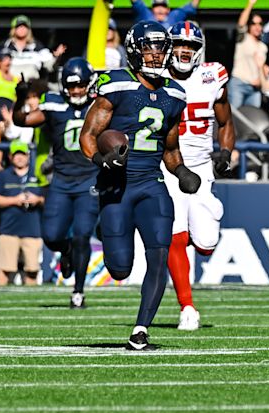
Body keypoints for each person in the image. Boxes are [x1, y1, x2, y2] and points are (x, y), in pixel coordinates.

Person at [79, 21, 201, 351]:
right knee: (119, 269)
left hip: (152, 182)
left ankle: (140, 329)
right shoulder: (115, 85)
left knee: (159, 256)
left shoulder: (175, 93)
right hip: (117, 185)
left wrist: (182, 172)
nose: (157, 54)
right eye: (150, 47)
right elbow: (88, 136)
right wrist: (100, 161)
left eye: (162, 47)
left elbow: (171, 149)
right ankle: (108, 232)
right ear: (134, 49)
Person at [14, 58, 101, 308]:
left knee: (83, 235)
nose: (76, 91)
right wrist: (19, 98)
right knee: (51, 236)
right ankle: (66, 251)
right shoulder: (53, 104)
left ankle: (78, 291)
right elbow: (22, 120)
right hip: (61, 179)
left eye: (81, 85)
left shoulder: (99, 105)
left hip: (89, 178)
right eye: (71, 86)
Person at [164, 22, 235, 332]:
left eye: (191, 46)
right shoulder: (157, 77)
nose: (185, 50)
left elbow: (226, 121)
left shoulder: (212, 76)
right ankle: (187, 307)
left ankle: (198, 222)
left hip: (202, 165)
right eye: (180, 44)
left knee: (205, 243)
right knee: (173, 236)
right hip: (167, 164)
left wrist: (226, 153)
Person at [0, 141, 46, 285]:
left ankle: (31, 303)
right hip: (9, 228)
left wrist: (38, 199)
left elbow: (50, 199)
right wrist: (15, 200)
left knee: (32, 269)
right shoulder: (4, 175)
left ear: (28, 155)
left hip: (33, 229)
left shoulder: (37, 174)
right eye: (16, 155)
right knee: (5, 269)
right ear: (10, 157)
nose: (19, 158)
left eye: (22, 154)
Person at [230, 0, 269, 109]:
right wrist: (250, 4)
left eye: (260, 24)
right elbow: (241, 24)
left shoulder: (263, 46)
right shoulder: (243, 39)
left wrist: (264, 72)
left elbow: (260, 66)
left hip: (255, 88)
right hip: (239, 83)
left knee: (253, 119)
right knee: (234, 116)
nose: (257, 26)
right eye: (253, 23)